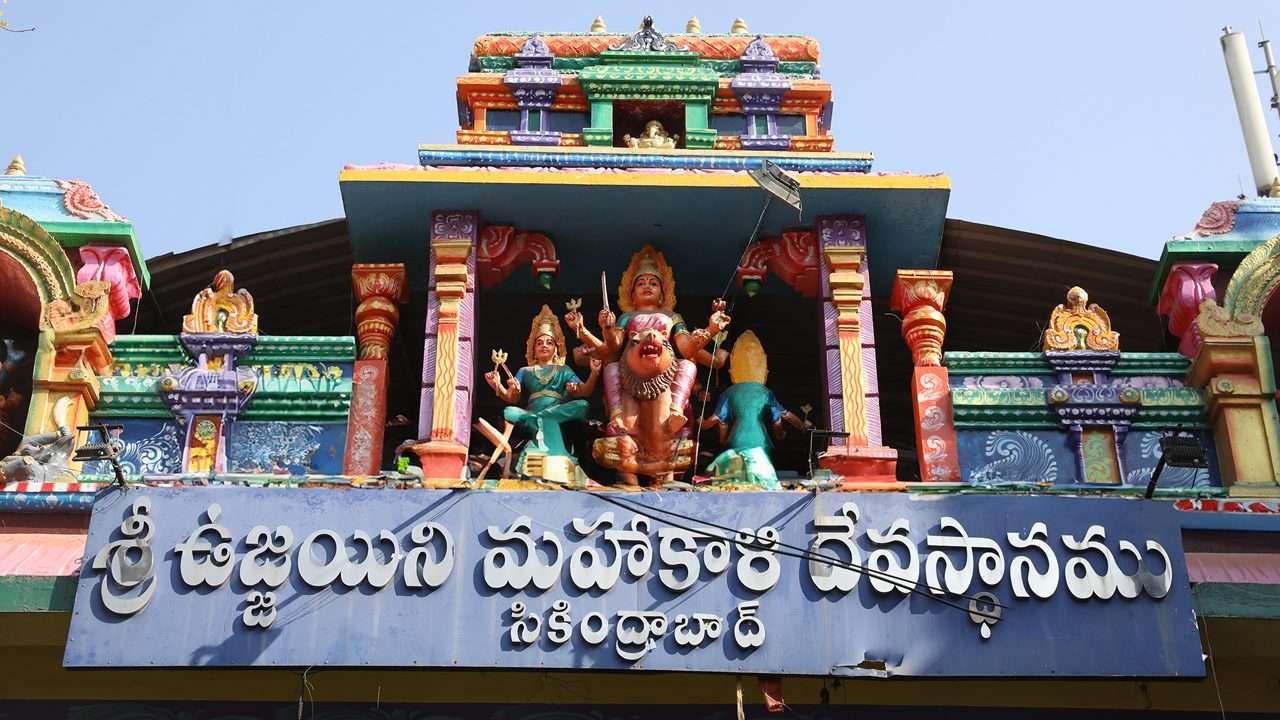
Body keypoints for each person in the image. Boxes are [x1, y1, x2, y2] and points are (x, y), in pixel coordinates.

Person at [484, 305, 600, 477]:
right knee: (509, 411)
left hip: (558, 412)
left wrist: (595, 373)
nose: (544, 345)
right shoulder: (525, 371)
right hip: (532, 415)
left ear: (556, 348)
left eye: (549, 342)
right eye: (539, 343)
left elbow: (585, 391)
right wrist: (498, 385)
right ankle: (557, 453)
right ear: (533, 349)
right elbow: (512, 398)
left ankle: (545, 428)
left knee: (582, 404)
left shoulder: (564, 370)